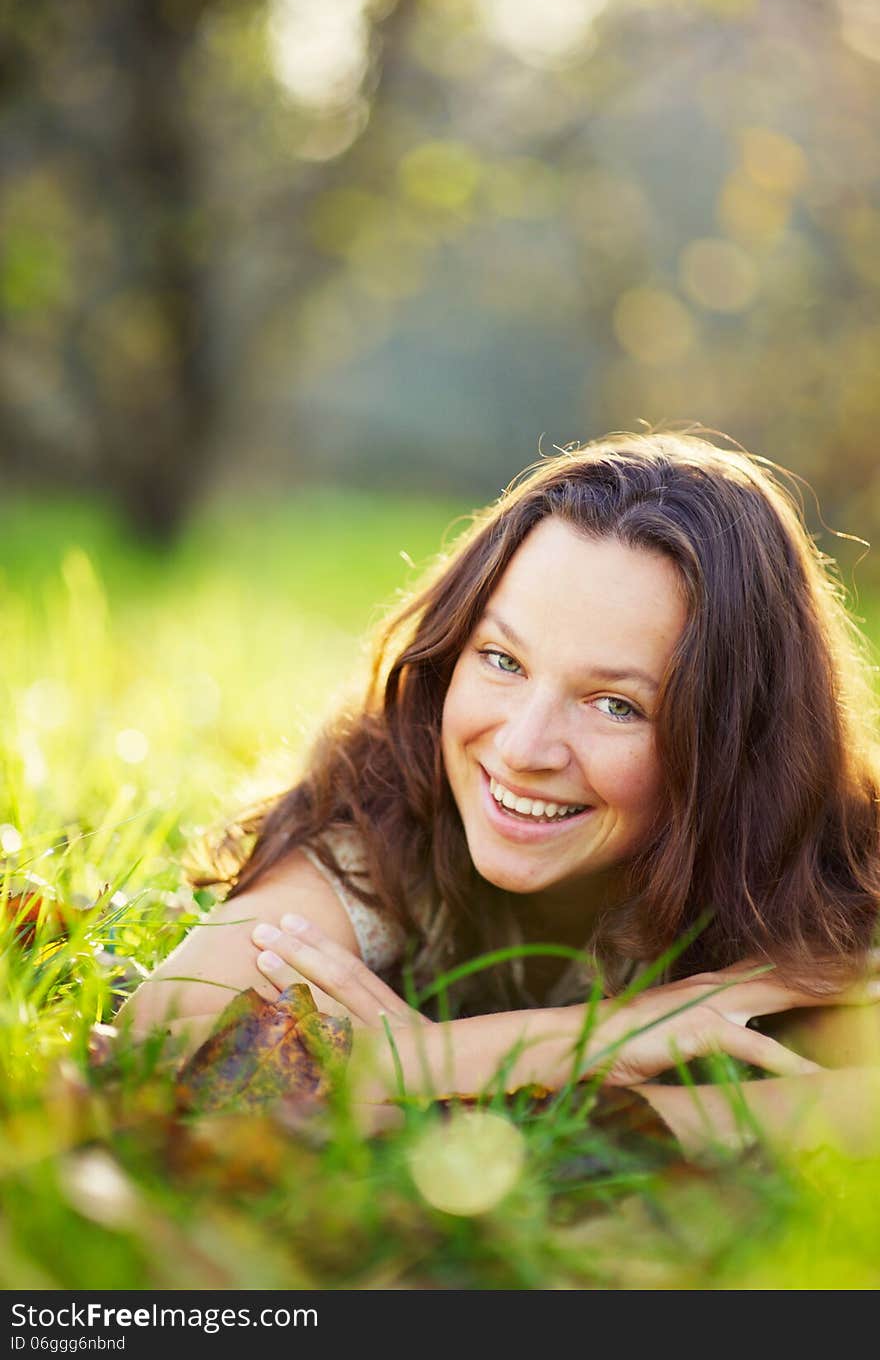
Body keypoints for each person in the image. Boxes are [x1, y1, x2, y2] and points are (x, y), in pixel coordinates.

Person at [117, 428, 880, 1156]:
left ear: (736, 745)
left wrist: (423, 1083)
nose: (520, 748)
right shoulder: (397, 802)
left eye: (617, 704)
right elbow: (166, 1036)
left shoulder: (841, 885)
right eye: (502, 660)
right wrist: (596, 1042)